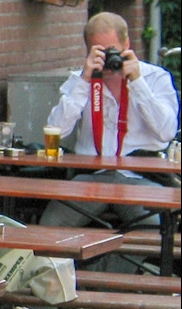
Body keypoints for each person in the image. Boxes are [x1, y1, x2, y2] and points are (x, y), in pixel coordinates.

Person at [39, 12, 179, 231]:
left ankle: (107, 265)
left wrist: (138, 84)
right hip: (91, 178)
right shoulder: (81, 80)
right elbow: (56, 131)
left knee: (154, 232)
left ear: (127, 45)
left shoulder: (155, 78)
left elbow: (167, 132)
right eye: (101, 53)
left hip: (140, 177)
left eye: (113, 51)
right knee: (50, 226)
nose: (109, 61)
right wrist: (85, 82)